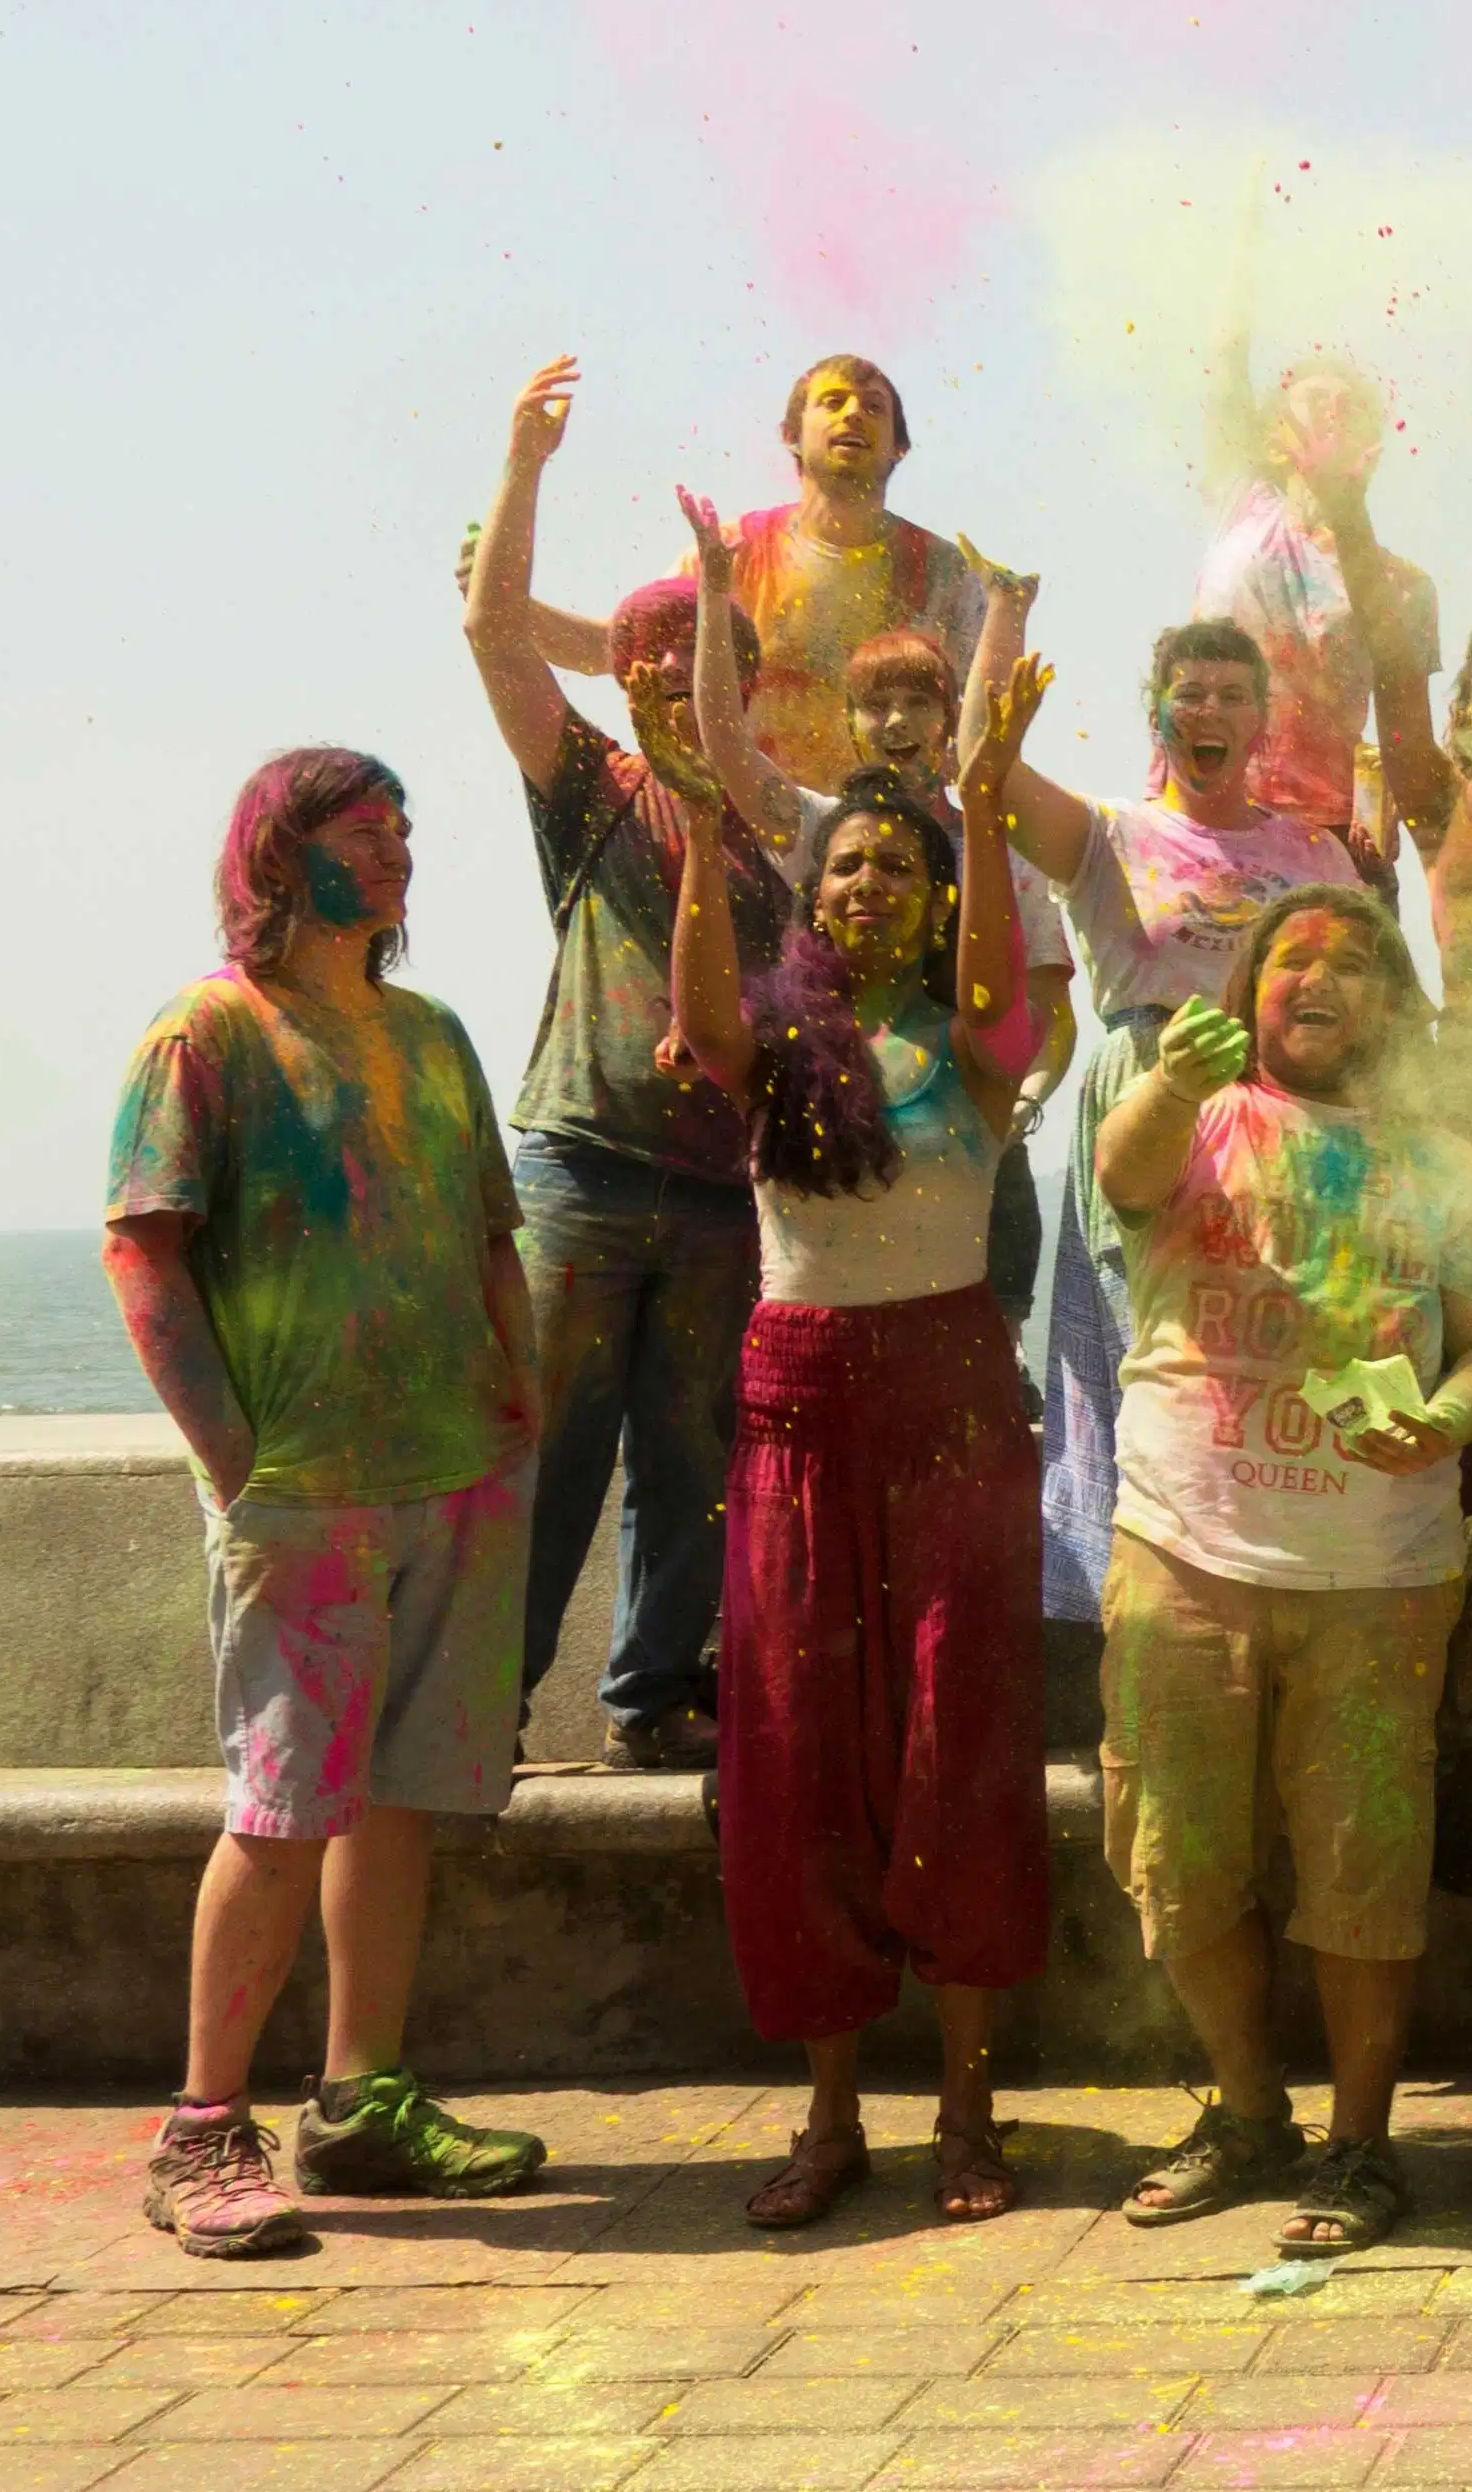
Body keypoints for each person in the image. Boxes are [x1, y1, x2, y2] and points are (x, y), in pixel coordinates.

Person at [664, 515, 1061, 2230]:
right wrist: (697, 819)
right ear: (811, 899)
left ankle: (971, 2110)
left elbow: (994, 977)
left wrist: (975, 797)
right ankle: (833, 2115)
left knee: (956, 1745)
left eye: (897, 870)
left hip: (955, 1400)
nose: (867, 885)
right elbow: (700, 1008)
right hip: (798, 1406)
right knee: (797, 1750)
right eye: (845, 870)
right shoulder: (780, 1046)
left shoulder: (977, 1046)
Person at [106, 745, 551, 2258]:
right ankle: (202, 2129)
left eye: (407, 829)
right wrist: (235, 1458)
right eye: (370, 829)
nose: (403, 850)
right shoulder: (209, 1035)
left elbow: (494, 1233)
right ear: (281, 858)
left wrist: (519, 1393)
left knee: (405, 1793)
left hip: (452, 1474)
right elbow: (144, 1254)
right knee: (285, 1805)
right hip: (304, 1495)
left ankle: (365, 2099)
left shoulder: (430, 1035)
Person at [1090, 883, 1472, 2253]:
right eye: (1290, 957)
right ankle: (1243, 2106)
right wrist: (1168, 1077)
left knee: (1364, 1873)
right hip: (1185, 1546)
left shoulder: (1455, 1164)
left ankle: (1358, 2143)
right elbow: (1120, 1170)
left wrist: (1444, 1421)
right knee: (1182, 1855)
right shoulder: (1194, 1109)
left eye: (1352, 964)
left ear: (1391, 1006)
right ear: (1249, 990)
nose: (1318, 979)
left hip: (1383, 1569)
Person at [461, 355, 792, 1773]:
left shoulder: (787, 827)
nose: (664, 665)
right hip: (585, 1168)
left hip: (725, 1193)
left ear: (744, 673)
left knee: (693, 1465)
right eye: (644, 645)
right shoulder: (591, 790)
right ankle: (479, 1707)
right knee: (545, 1454)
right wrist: (525, 465)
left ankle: (652, 1694)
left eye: (695, 643)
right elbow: (492, 633)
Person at [1010, 621, 1400, 1631]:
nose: (1212, 712)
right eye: (1191, 692)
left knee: (1270, 1340)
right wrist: (1007, 624)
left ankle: (1275, 1579)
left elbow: (1370, 985)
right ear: (1159, 710)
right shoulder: (1110, 831)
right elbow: (987, 779)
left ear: (1263, 720)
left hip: (1288, 1112)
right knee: (1161, 1354)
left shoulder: (1311, 845)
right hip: (1154, 1089)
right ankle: (1148, 1604)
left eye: (1234, 695)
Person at [687, 606, 1079, 1342]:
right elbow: (722, 746)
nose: (897, 720)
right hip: (838, 1143)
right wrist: (714, 579)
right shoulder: (827, 830)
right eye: (875, 704)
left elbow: (1051, 1014)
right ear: (850, 722)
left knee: (978, 1358)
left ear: (949, 718)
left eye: (919, 702)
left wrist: (1016, 1103)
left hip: (973, 1146)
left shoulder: (999, 852)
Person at [477, 354, 1001, 794]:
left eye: (874, 407)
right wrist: (499, 597)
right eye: (833, 401)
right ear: (792, 436)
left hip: (883, 860)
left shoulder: (943, 573)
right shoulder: (733, 551)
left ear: (899, 447)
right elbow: (615, 652)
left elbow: (982, 725)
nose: (854, 415)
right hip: (747, 840)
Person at [1192, 334, 1444, 886]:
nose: (1335, 413)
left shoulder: (1406, 585)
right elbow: (1228, 362)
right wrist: (1244, 247)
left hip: (1331, 840)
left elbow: (1403, 729)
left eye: (1349, 406)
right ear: (1274, 439)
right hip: (1208, 813)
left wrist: (1379, 795)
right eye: (1316, 403)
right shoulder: (1242, 504)